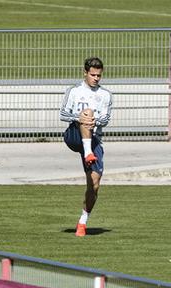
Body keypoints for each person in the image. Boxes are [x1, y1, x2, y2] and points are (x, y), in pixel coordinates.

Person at [60, 57, 113, 237]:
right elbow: (63, 113)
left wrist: (94, 121)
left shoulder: (106, 95)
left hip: (95, 138)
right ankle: (88, 151)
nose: (96, 78)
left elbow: (106, 119)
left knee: (95, 185)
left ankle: (83, 221)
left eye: (99, 75)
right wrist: (80, 118)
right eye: (92, 75)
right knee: (87, 113)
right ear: (85, 73)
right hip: (74, 135)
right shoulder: (74, 91)